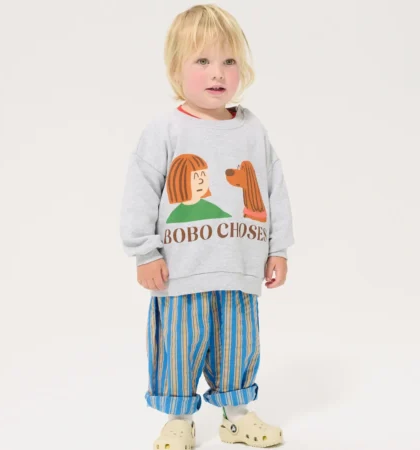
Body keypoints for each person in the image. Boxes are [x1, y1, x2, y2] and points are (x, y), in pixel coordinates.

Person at [119, 4, 295, 449]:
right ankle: (179, 420)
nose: (217, 72)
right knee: (179, 347)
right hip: (181, 271)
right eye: (202, 60)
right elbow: (141, 191)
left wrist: (278, 249)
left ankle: (236, 417)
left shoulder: (252, 129)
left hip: (239, 268)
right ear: (176, 68)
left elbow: (274, 189)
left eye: (228, 61)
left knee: (239, 344)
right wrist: (145, 252)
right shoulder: (166, 128)